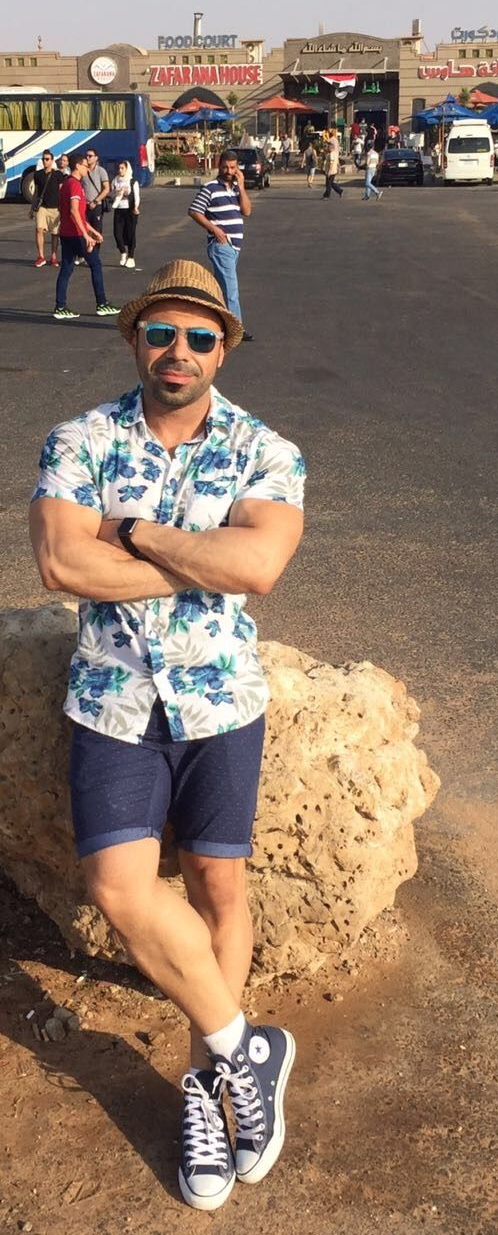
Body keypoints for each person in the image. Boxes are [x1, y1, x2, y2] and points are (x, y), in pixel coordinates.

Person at [30, 257, 305, 1212]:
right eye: (160, 332)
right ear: (133, 340)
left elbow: (259, 566)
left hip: (220, 702)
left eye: (199, 335)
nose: (178, 349)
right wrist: (203, 558)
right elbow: (62, 566)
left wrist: (138, 534)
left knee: (217, 886)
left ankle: (205, 1092)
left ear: (223, 349)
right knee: (118, 887)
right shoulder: (80, 439)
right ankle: (243, 1050)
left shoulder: (267, 450)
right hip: (113, 700)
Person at [189, 151, 254, 341]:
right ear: (219, 166)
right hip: (221, 245)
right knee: (231, 290)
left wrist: (241, 186)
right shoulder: (210, 188)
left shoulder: (235, 189)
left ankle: (216, 324)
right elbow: (194, 211)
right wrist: (214, 229)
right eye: (225, 167)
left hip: (234, 248)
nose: (229, 171)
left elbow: (247, 211)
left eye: (233, 167)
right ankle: (236, 330)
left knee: (221, 289)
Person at [53, 151, 119, 321]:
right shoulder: (74, 184)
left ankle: (60, 306)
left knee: (67, 268)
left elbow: (79, 215)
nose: (88, 169)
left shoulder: (67, 184)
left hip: (66, 233)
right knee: (95, 264)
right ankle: (102, 303)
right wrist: (86, 235)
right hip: (75, 234)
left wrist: (93, 232)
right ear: (77, 166)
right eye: (85, 165)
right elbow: (74, 211)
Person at [30, 149, 63, 268]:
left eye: (47, 159)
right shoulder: (37, 174)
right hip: (42, 207)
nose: (45, 161)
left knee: (55, 233)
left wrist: (63, 207)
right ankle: (41, 256)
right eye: (43, 159)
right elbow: (36, 193)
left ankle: (53, 256)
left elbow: (61, 191)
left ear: (52, 160)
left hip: (55, 208)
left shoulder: (58, 174)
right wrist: (32, 208)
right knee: (39, 230)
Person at [111, 160, 140, 269]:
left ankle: (131, 257)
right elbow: (111, 194)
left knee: (130, 233)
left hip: (130, 210)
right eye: (119, 168)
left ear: (127, 169)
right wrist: (116, 193)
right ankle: (123, 252)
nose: (120, 170)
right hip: (118, 209)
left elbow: (136, 196)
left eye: (122, 168)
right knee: (117, 233)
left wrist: (136, 207)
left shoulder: (132, 181)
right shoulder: (115, 180)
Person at [82, 147, 110, 247]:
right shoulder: (83, 171)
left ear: (96, 158)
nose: (88, 158)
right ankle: (85, 252)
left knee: (96, 231)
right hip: (84, 206)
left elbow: (106, 189)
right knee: (84, 230)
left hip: (96, 206)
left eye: (90, 156)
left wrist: (95, 201)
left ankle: (95, 253)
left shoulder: (101, 171)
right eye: (86, 156)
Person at [323, 126, 343, 199]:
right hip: (333, 170)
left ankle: (326, 195)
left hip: (330, 171)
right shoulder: (336, 142)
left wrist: (329, 171)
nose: (327, 147)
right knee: (330, 183)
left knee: (328, 183)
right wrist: (338, 167)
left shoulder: (331, 153)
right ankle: (339, 191)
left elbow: (331, 163)